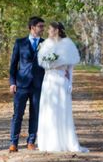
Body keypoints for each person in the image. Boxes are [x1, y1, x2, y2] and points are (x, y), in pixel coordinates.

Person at [36, 22, 88, 153]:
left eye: (50, 29)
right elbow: (42, 62)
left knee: (62, 110)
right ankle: (48, 142)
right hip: (49, 80)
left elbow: (70, 67)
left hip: (61, 80)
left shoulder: (67, 44)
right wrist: (50, 63)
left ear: (57, 30)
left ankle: (64, 141)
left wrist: (70, 82)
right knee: (49, 109)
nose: (48, 31)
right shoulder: (45, 44)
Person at [8, 16, 45, 152]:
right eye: (40, 26)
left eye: (43, 26)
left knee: (35, 114)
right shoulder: (20, 43)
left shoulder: (45, 43)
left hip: (38, 84)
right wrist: (12, 82)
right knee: (18, 114)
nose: (42, 29)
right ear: (32, 27)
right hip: (21, 84)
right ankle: (13, 142)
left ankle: (31, 141)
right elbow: (13, 64)